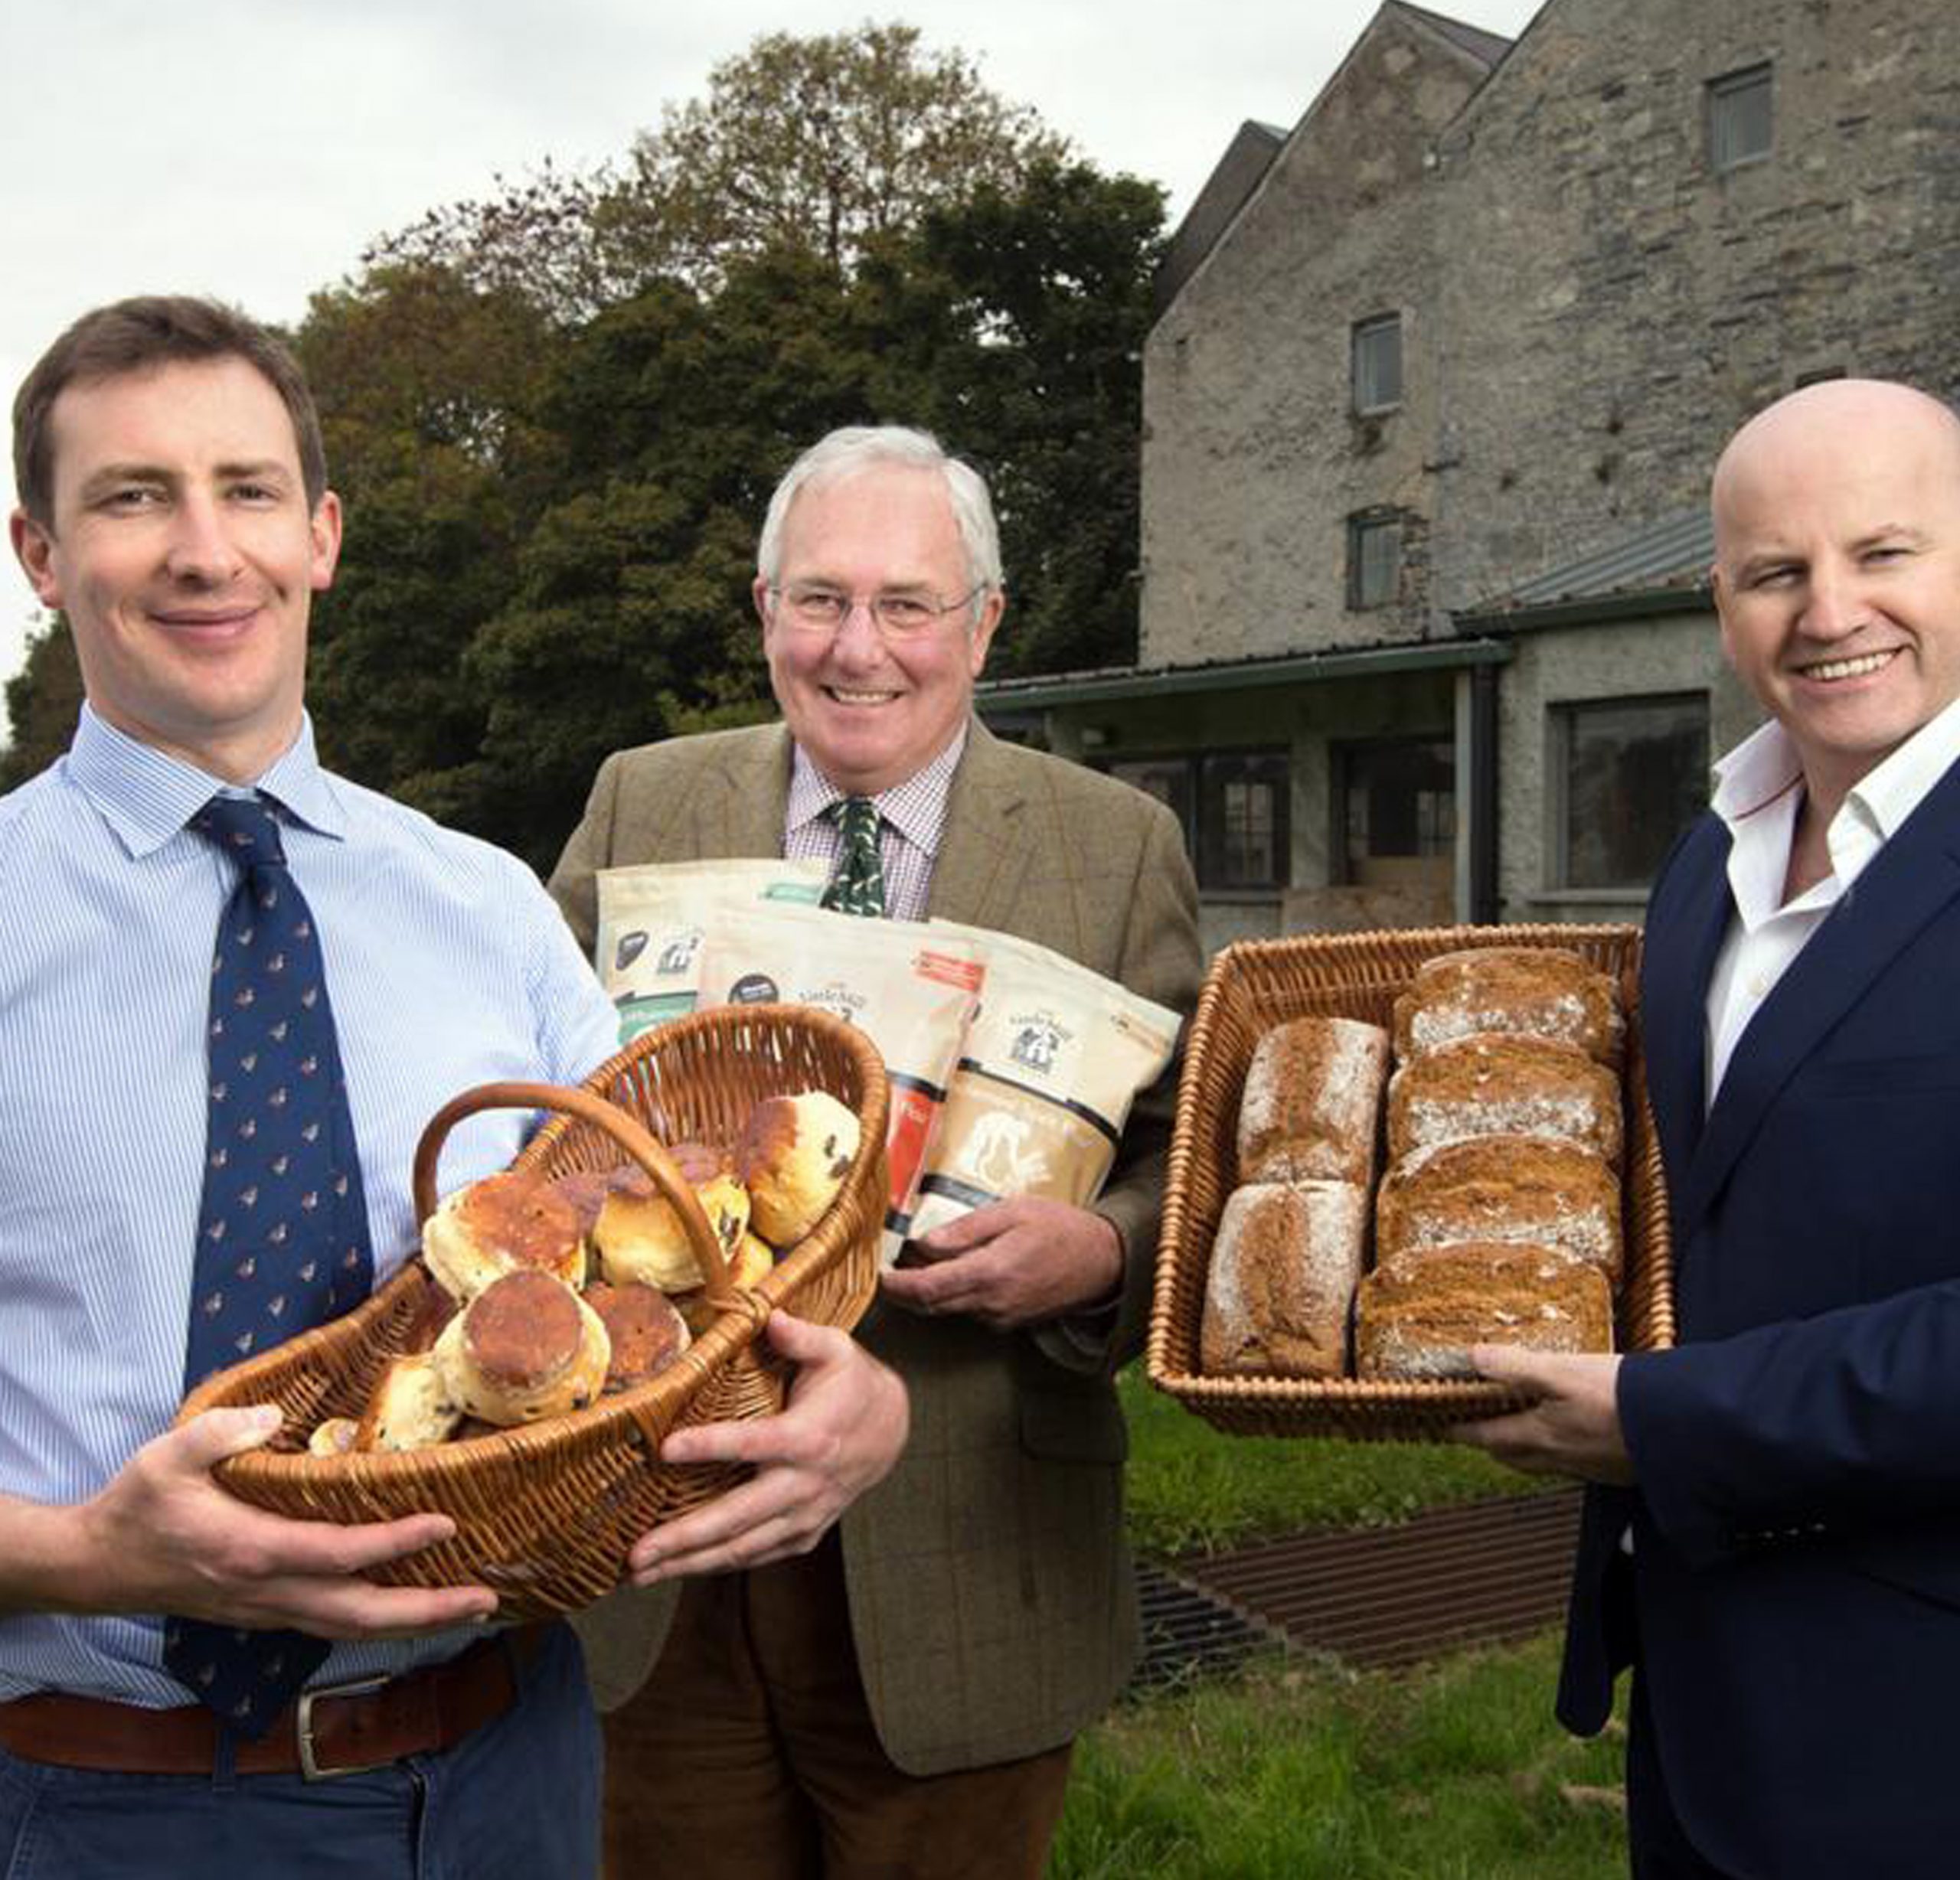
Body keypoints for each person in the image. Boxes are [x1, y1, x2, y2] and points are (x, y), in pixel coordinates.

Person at [0, 295, 906, 1878]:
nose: (207, 551)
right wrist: (81, 1553)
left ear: (323, 533)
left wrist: (856, 1404)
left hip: (507, 1773)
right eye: (133, 497)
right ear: (37, 553)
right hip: (97, 1800)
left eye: (249, 489)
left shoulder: (486, 906)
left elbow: (683, 1272)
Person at [550, 424, 1204, 1879]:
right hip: (664, 1536)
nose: (862, 650)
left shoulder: (1117, 847)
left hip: (965, 1544)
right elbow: (539, 1099)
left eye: (908, 605)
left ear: (984, 625)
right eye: (819, 599)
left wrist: (1098, 1251)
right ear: (764, 609)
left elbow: (1190, 1164)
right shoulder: (637, 802)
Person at [1455, 377, 1960, 1879]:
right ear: (1717, 602)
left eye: (1883, 553)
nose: (1827, 611)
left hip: (1913, 1729)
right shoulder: (1702, 863)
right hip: (1697, 1686)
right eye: (1771, 572)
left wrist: (1658, 1423)